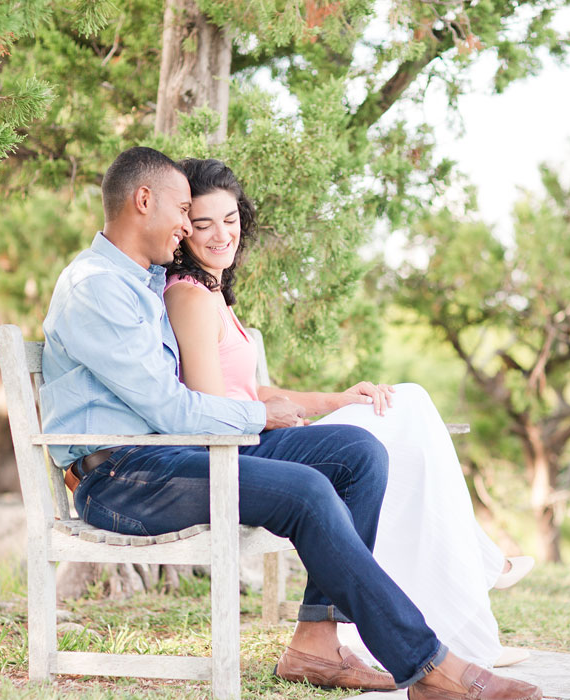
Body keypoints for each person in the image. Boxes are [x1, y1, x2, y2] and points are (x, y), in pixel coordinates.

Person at [39, 146, 542, 700]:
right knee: (306, 490)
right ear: (142, 201)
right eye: (185, 211)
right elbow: (171, 408)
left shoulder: (146, 281)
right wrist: (260, 414)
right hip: (121, 477)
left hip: (171, 455)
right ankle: (430, 667)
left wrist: (280, 409)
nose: (187, 226)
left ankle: (315, 645)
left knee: (359, 454)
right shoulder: (98, 288)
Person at [163, 157, 536, 669]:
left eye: (230, 220)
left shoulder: (213, 294)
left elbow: (255, 387)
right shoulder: (189, 296)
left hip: (261, 434)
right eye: (204, 224)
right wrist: (271, 411)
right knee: (397, 422)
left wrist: (339, 399)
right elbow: (214, 408)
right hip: (244, 449)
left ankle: (464, 587)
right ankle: (473, 567)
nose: (221, 234)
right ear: (184, 232)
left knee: (402, 408)